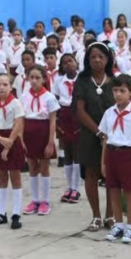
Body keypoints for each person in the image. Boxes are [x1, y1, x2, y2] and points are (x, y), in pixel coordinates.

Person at [74, 42, 116, 231]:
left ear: (108, 59)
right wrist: (98, 132)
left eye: (101, 56)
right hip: (90, 135)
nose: (97, 60)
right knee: (91, 174)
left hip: (113, 135)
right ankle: (96, 216)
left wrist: (109, 132)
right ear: (87, 60)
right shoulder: (82, 81)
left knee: (110, 175)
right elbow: (80, 110)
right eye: (93, 57)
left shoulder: (115, 81)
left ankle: (110, 215)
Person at [99, 74, 131, 243]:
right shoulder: (109, 113)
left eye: (122, 91)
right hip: (112, 153)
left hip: (127, 154)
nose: (118, 94)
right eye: (115, 90)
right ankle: (118, 224)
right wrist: (103, 162)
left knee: (128, 192)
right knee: (113, 190)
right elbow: (105, 138)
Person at [0, 74, 26, 229]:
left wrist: (8, 144)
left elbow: (18, 124)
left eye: (5, 84)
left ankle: (16, 213)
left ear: (10, 87)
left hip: (12, 139)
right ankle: (1, 213)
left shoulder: (16, 104)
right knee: (1, 176)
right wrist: (1, 140)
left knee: (15, 176)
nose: (1, 87)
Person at [20, 65, 59, 217]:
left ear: (44, 79)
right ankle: (35, 200)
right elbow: (21, 119)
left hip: (43, 132)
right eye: (32, 78)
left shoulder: (49, 97)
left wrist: (50, 142)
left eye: (38, 78)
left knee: (44, 167)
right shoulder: (24, 97)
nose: (34, 81)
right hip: (29, 133)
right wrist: (21, 139)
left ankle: (45, 200)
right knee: (32, 167)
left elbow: (52, 121)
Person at [54, 53, 81, 203]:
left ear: (76, 62)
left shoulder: (82, 80)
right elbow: (56, 100)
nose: (68, 64)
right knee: (67, 152)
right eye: (64, 63)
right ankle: (69, 187)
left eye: (70, 61)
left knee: (77, 152)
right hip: (64, 115)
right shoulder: (58, 81)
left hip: (77, 113)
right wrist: (57, 121)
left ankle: (76, 188)